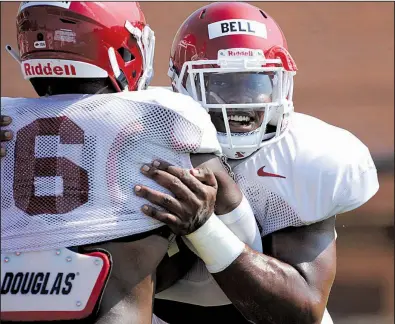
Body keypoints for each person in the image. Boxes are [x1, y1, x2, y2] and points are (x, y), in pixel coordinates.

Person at [0, 2, 261, 323]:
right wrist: (198, 232)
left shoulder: (5, 121)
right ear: (121, 48)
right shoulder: (163, 118)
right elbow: (247, 243)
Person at [135, 2, 379, 324]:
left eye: (255, 84)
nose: (241, 100)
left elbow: (301, 312)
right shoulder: (142, 137)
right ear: (181, 85)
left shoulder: (306, 155)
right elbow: (125, 281)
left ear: (281, 83)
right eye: (221, 84)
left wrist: (204, 229)